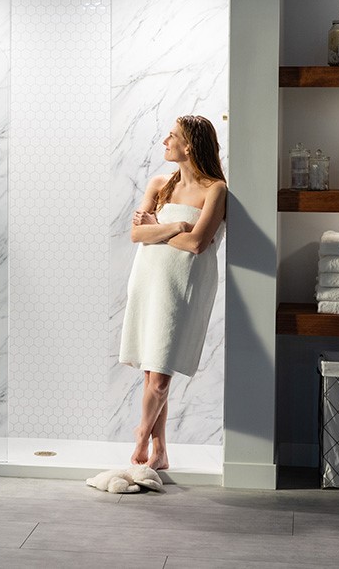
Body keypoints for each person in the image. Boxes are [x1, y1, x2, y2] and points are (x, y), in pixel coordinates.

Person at [118, 114, 227, 470]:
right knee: (152, 373)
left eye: (172, 136)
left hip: (183, 287)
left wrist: (161, 227)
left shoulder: (216, 190)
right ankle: (160, 451)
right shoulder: (159, 184)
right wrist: (176, 225)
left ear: (189, 144)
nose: (165, 142)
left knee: (161, 376)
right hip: (148, 279)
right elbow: (136, 235)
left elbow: (197, 243)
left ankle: (140, 435)